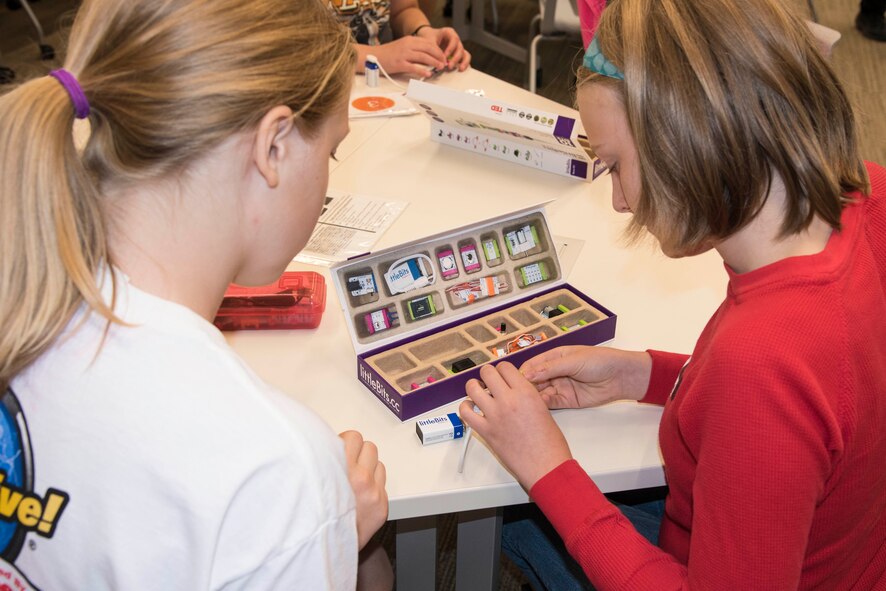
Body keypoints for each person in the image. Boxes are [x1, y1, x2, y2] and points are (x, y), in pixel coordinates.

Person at [458, 0, 886, 588]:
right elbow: (829, 399)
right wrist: (646, 375)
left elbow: (771, 384)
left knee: (503, 515)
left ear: (685, 145)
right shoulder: (870, 198)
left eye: (613, 166)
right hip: (848, 555)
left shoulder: (758, 365)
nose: (620, 202)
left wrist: (547, 467)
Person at [0, 0, 389, 588]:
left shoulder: (22, 299)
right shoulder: (270, 469)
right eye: (332, 150)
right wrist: (316, 534)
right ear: (273, 146)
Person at [327, 0, 471, 78]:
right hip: (329, 82)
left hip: (386, 80)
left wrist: (422, 31)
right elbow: (311, 47)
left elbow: (404, 9)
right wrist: (379, 56)